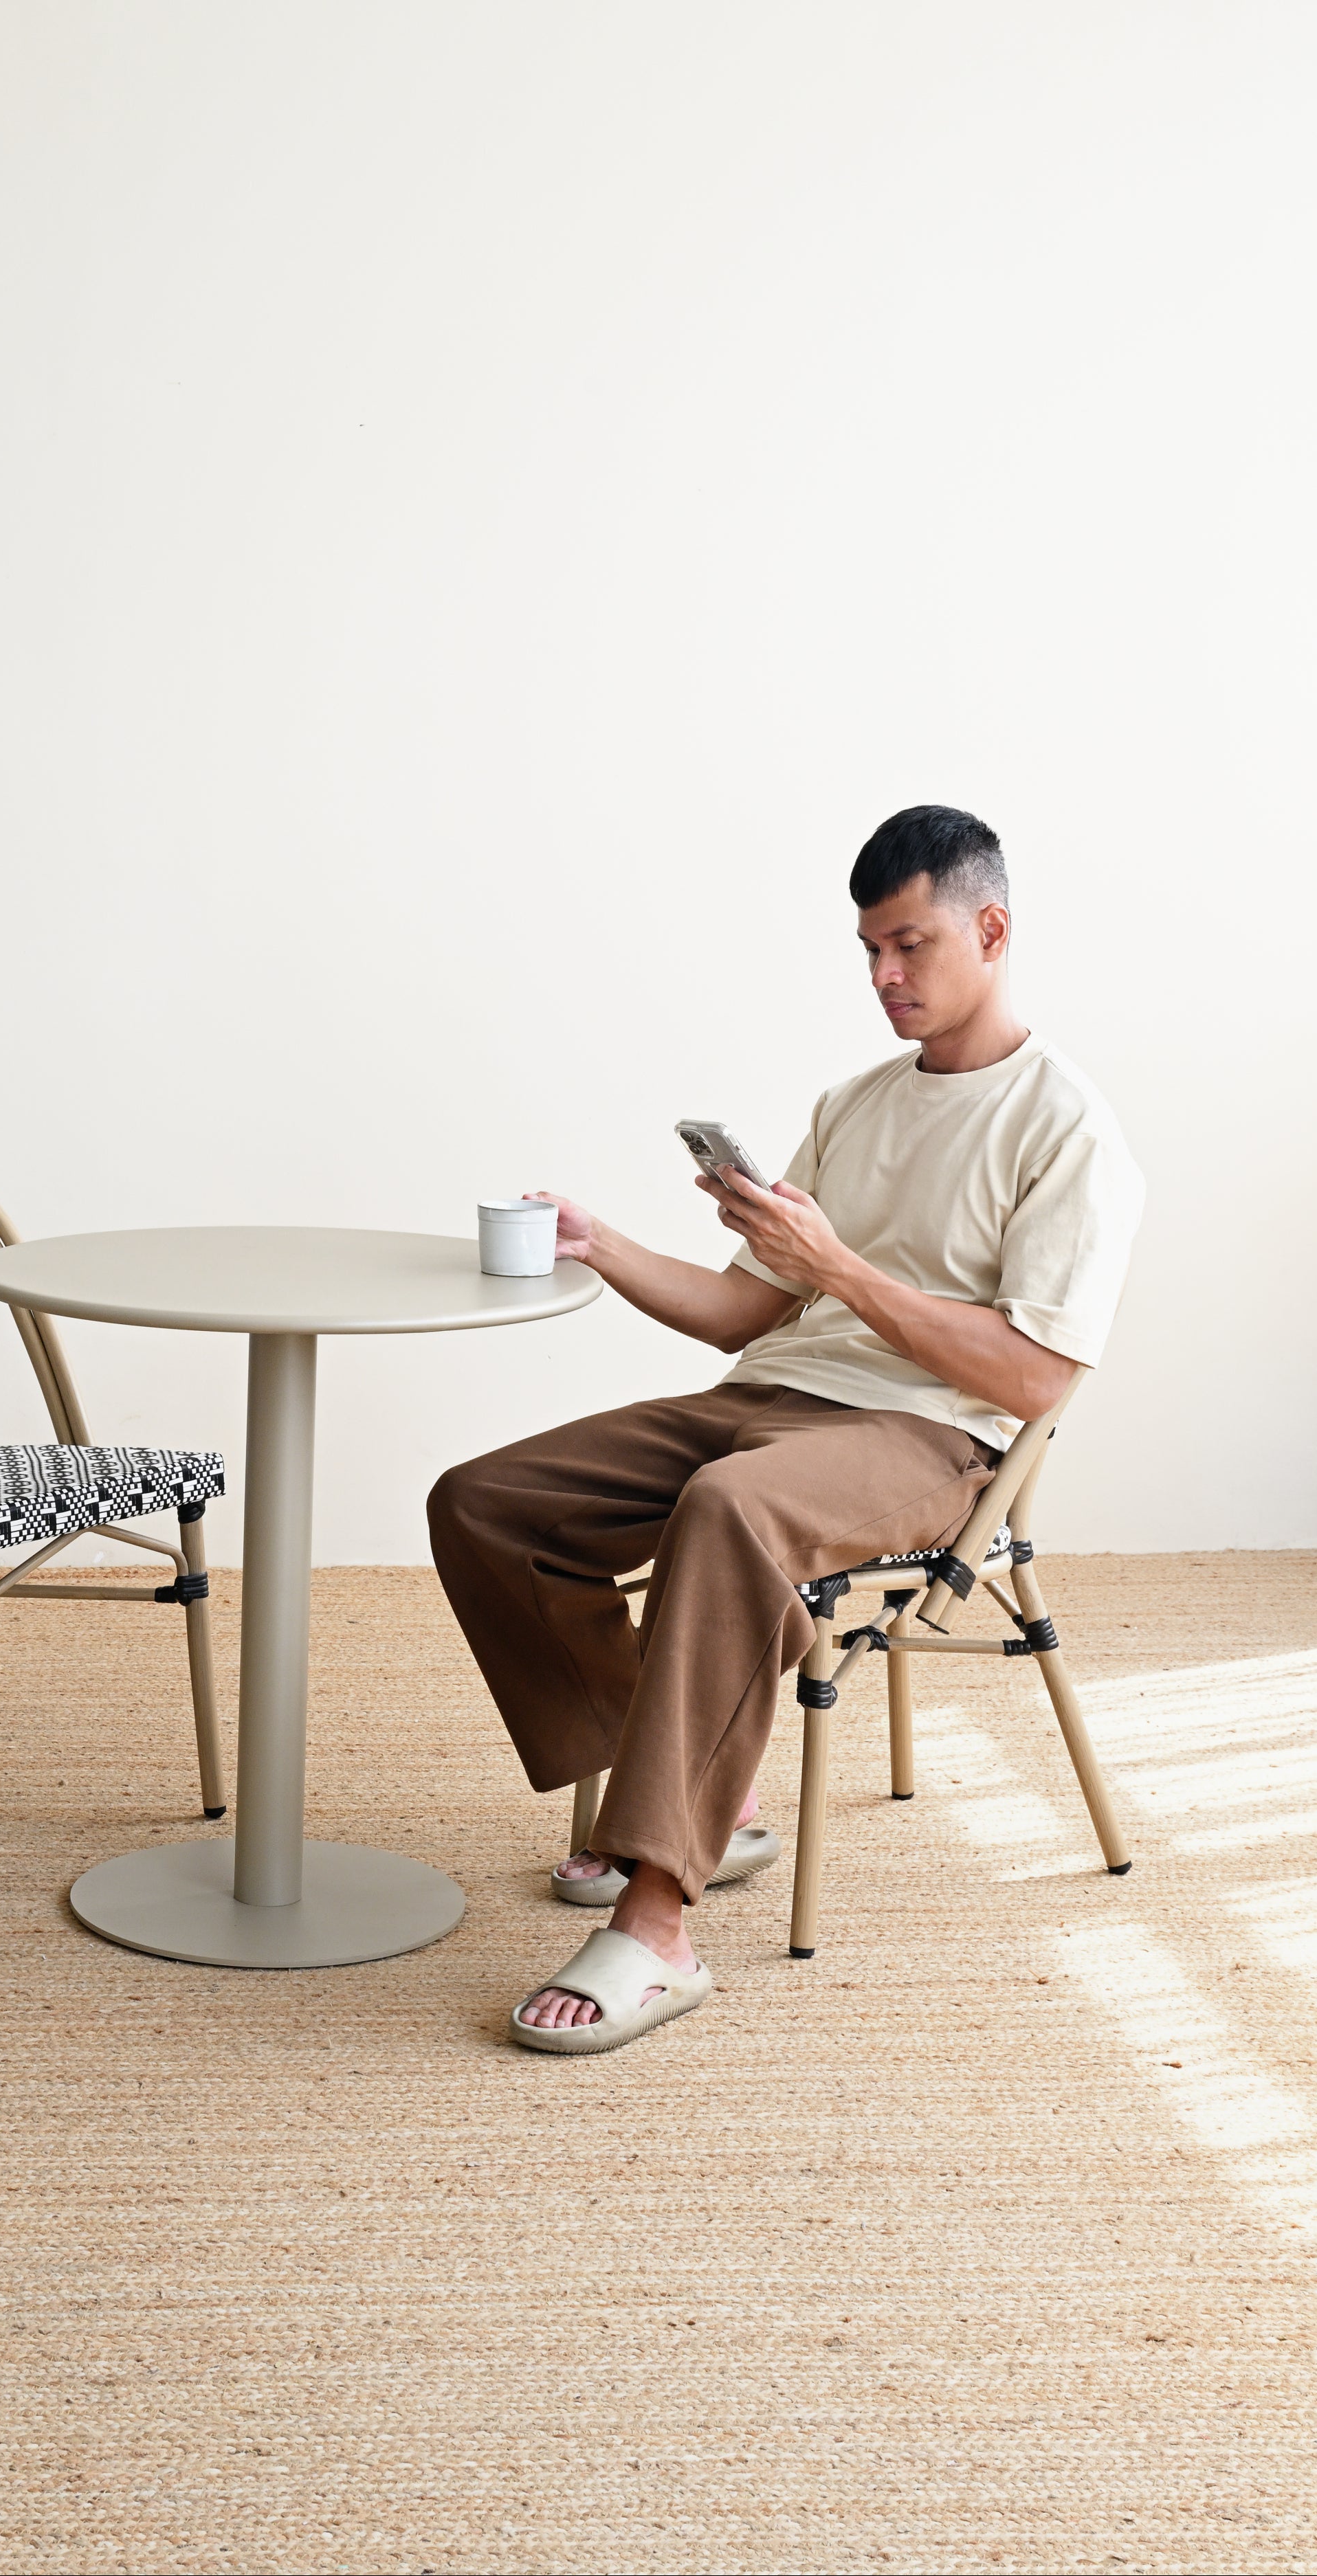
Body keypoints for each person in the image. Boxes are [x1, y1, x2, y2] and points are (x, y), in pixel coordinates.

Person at [427, 806, 1144, 2056]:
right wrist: (603, 1243)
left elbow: (1035, 1377)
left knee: (728, 1509)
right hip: (770, 1400)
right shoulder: (855, 1103)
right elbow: (741, 1311)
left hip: (930, 1436)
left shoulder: (1067, 1126)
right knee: (487, 1502)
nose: (884, 975)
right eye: (869, 949)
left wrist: (841, 1269)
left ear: (992, 930)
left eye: (910, 945)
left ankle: (658, 1923)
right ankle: (701, 1792)